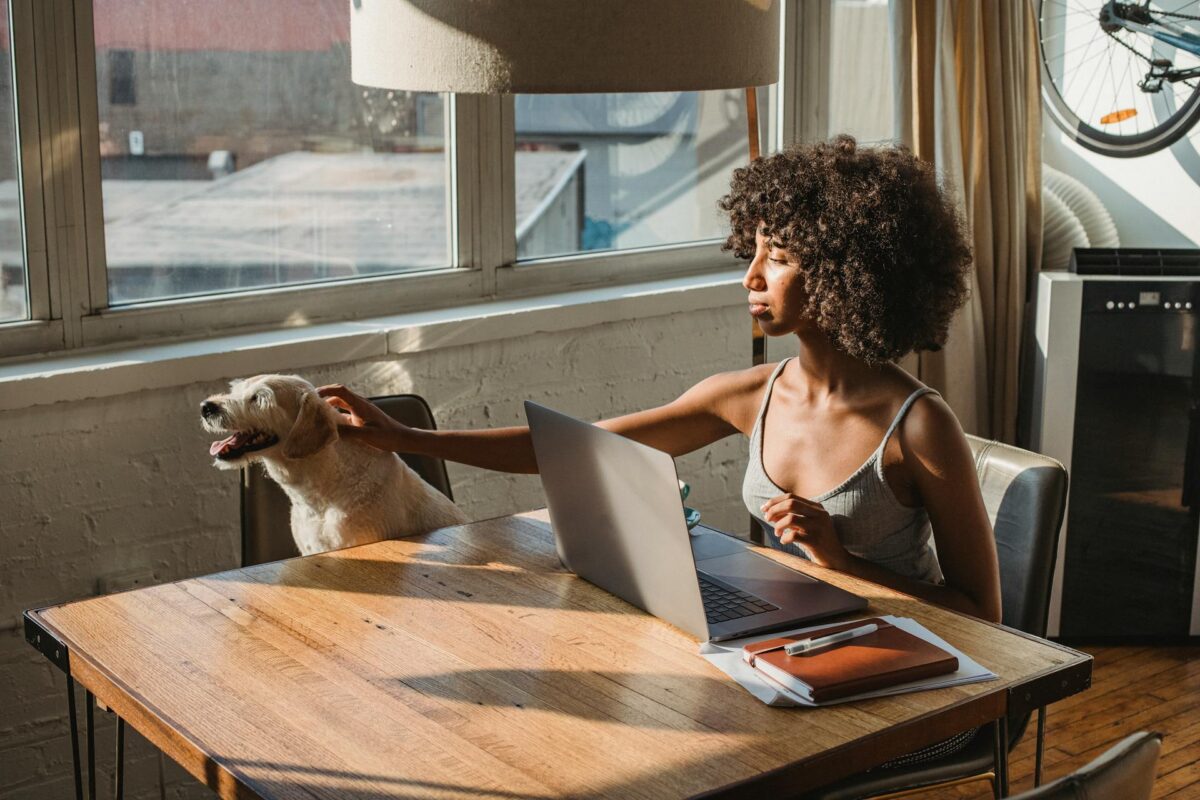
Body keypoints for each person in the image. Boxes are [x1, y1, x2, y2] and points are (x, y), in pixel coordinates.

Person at [319, 134, 1002, 626]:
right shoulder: (749, 396)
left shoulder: (916, 425)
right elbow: (565, 448)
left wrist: (840, 560)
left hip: (908, 676)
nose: (751, 276)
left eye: (780, 257)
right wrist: (402, 437)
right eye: (753, 249)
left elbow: (983, 615)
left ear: (848, 273)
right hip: (794, 644)